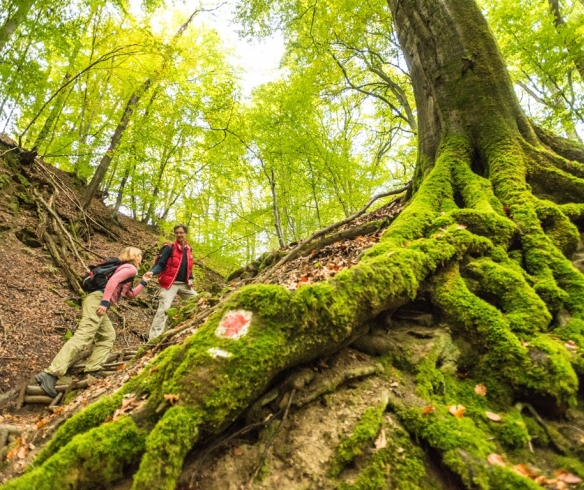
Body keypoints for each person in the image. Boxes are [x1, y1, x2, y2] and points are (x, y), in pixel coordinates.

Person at [35, 247, 152, 397]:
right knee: (83, 336)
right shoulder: (131, 269)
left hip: (97, 300)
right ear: (134, 256)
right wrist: (104, 303)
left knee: (108, 336)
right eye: (140, 254)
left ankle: (92, 370)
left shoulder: (125, 270)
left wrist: (144, 282)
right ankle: (50, 373)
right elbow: (113, 281)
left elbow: (130, 294)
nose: (141, 257)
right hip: (98, 301)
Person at [148, 224, 197, 340]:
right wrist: (152, 272)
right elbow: (161, 264)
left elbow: (189, 269)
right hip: (170, 284)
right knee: (163, 310)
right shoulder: (169, 247)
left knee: (197, 301)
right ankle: (153, 339)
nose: (179, 235)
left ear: (186, 234)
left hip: (184, 284)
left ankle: (191, 331)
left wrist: (191, 279)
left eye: (181, 232)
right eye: (177, 233)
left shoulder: (189, 249)